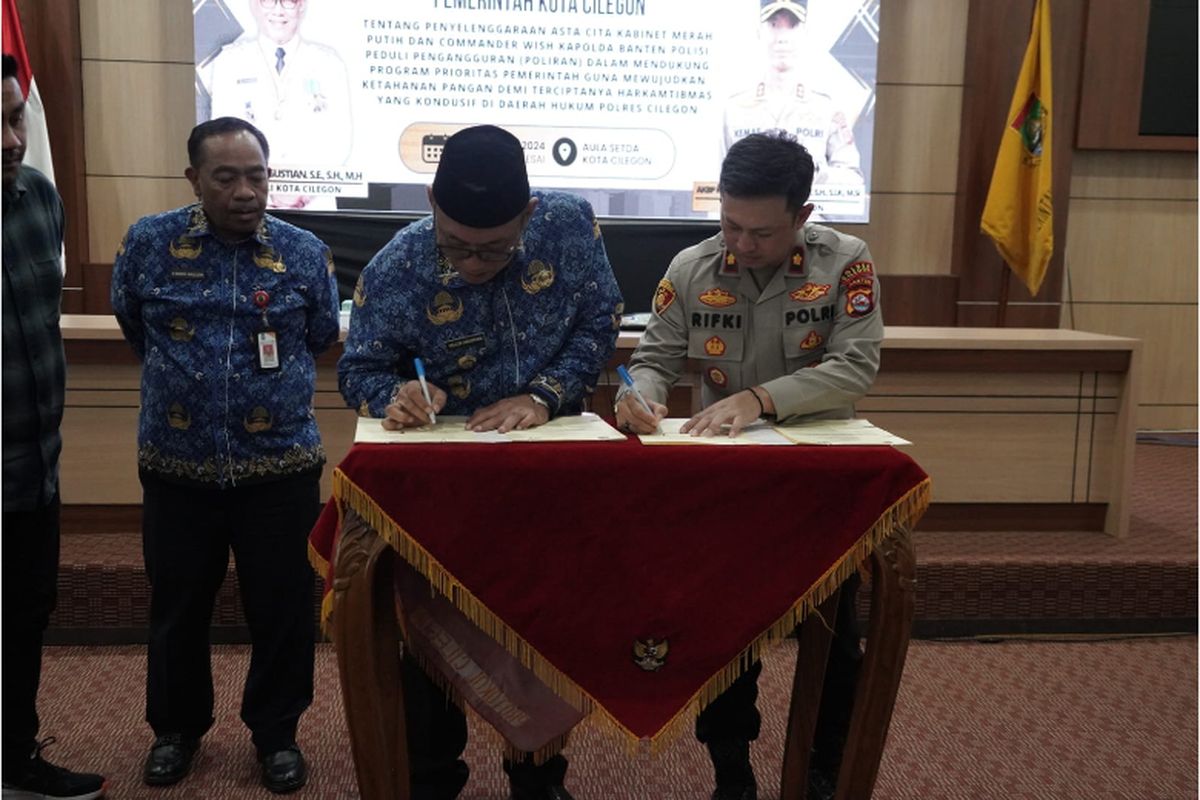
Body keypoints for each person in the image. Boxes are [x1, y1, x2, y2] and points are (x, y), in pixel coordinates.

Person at [338, 124, 623, 800]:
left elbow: (600, 321)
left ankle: (539, 773)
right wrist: (398, 393)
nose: (470, 263)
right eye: (457, 245)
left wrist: (545, 395)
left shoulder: (570, 227)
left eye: (493, 248)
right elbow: (360, 369)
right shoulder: (399, 264)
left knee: (542, 626)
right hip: (446, 484)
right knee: (429, 630)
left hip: (545, 469)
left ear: (527, 215)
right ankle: (434, 777)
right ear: (432, 203)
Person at [615, 130, 882, 800]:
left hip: (820, 477)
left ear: (802, 215)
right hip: (728, 481)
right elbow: (654, 360)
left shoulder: (846, 263)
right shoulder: (692, 266)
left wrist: (759, 398)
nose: (741, 244)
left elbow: (855, 364)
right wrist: (638, 399)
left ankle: (822, 769)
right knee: (724, 634)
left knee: (835, 636)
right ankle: (730, 768)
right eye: (730, 224)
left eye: (760, 232)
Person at [110, 116, 340, 794]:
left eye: (257, 175)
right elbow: (134, 326)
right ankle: (176, 731)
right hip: (178, 470)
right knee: (179, 607)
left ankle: (277, 735)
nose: (246, 191)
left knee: (284, 609)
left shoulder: (304, 253)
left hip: (280, 471)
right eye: (227, 177)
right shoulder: (150, 244)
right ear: (194, 180)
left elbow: (323, 332)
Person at [1, 52, 110, 800]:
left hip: (32, 470)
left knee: (23, 621)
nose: (12, 140)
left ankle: (14, 763)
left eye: (13, 118)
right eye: (0, 125)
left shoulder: (38, 197)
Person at [206, 0, 352, 208]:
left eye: (289, 2)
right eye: (268, 1)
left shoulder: (329, 63)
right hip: (250, 199)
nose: (278, 10)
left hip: (314, 203)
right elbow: (224, 137)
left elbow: (340, 141)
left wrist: (303, 191)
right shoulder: (230, 62)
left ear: (302, 7)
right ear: (254, 6)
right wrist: (267, 187)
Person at [721, 0, 863, 187]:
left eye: (792, 25)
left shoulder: (826, 109)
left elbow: (852, 180)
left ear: (804, 33)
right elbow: (714, 184)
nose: (782, 38)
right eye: (773, 25)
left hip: (805, 214)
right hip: (750, 215)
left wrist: (813, 175)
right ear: (759, 32)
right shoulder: (734, 110)